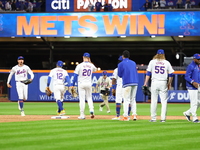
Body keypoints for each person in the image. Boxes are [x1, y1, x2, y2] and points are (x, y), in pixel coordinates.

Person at [143, 49, 174, 122]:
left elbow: (148, 73)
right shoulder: (166, 62)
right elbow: (171, 74)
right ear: (163, 54)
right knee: (164, 101)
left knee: (153, 100)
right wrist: (169, 83)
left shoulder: (152, 62)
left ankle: (153, 118)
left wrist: (145, 82)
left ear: (156, 54)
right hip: (163, 82)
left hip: (154, 82)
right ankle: (163, 119)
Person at [71, 52, 97, 119]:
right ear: (89, 58)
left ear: (83, 57)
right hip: (88, 83)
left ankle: (82, 115)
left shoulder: (79, 65)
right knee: (89, 98)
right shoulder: (91, 65)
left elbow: (75, 76)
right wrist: (90, 62)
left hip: (81, 83)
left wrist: (72, 85)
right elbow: (96, 70)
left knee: (82, 99)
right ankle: (92, 110)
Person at [112, 56, 136, 120]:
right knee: (128, 100)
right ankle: (128, 115)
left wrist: (113, 88)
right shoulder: (128, 68)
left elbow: (114, 80)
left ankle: (118, 116)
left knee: (118, 100)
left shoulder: (116, 69)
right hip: (127, 84)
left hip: (120, 86)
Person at [118, 50, 139, 121]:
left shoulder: (121, 64)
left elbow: (119, 75)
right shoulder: (133, 63)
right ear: (129, 56)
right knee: (133, 99)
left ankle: (126, 116)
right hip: (135, 82)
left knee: (126, 100)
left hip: (127, 83)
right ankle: (134, 115)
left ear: (122, 56)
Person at [183, 53, 200, 123]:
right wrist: (193, 82)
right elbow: (186, 76)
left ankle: (187, 113)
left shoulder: (198, 66)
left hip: (198, 86)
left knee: (198, 102)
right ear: (194, 59)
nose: (199, 60)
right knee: (194, 102)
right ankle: (194, 118)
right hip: (191, 86)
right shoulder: (191, 66)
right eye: (198, 59)